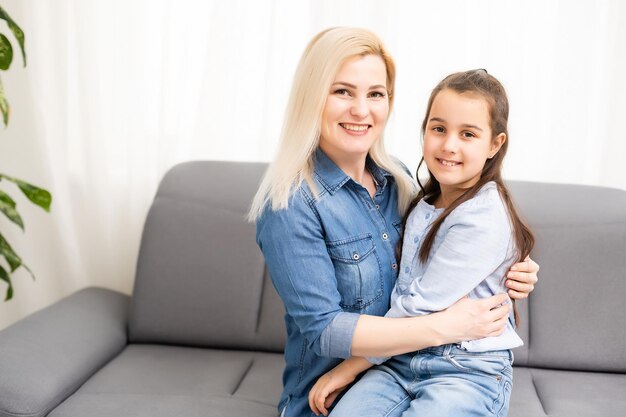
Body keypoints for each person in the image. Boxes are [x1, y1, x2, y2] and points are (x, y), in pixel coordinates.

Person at [249, 27, 539, 417]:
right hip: (333, 395)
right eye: (342, 92)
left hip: (431, 371)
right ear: (311, 97)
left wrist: (512, 266)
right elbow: (325, 331)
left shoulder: (398, 181)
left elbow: (450, 252)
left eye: (375, 94)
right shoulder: (290, 203)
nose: (361, 110)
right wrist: (448, 326)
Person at [309, 69, 532, 417]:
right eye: (438, 128)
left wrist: (348, 367)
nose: (449, 145)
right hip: (401, 359)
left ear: (495, 144)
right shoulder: (423, 200)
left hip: (466, 369)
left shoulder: (484, 215)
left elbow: (421, 305)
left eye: (468, 134)